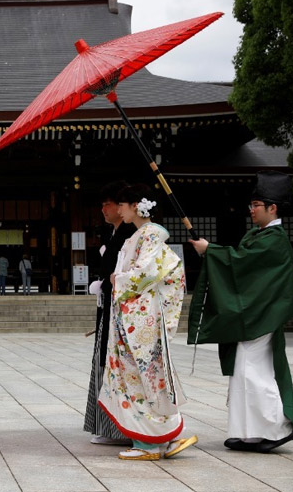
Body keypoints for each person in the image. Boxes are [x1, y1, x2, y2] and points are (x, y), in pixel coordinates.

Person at [188, 171, 293, 453]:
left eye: (256, 205)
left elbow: (241, 266)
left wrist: (210, 250)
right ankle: (248, 433)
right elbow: (241, 266)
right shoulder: (259, 235)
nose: (251, 210)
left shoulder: (275, 240)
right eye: (251, 205)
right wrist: (212, 252)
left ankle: (275, 428)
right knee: (244, 370)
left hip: (263, 316)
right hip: (255, 315)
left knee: (255, 371)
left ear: (272, 208)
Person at [98, 183, 197, 461]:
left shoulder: (151, 235)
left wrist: (119, 279)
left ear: (135, 206)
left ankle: (151, 443)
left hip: (140, 318)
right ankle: (163, 435)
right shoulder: (139, 236)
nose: (118, 210)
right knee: (141, 377)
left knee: (143, 376)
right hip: (132, 316)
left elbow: (147, 273)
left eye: (122, 205)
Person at [83, 181, 135, 446]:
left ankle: (122, 427)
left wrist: (105, 283)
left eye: (110, 204)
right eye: (102, 204)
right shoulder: (113, 234)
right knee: (103, 360)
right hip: (108, 307)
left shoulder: (131, 235)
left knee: (117, 363)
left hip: (123, 311)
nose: (104, 209)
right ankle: (107, 425)